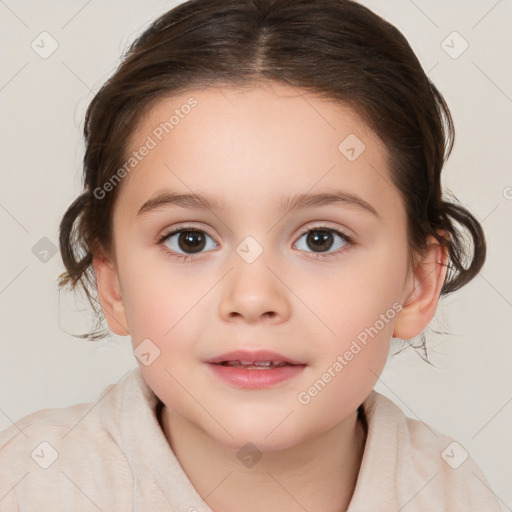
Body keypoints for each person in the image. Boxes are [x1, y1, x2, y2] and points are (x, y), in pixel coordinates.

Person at [0, 0, 503, 510]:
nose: (253, 298)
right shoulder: (28, 485)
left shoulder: (456, 496)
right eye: (190, 239)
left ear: (417, 282)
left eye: (321, 239)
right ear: (112, 282)